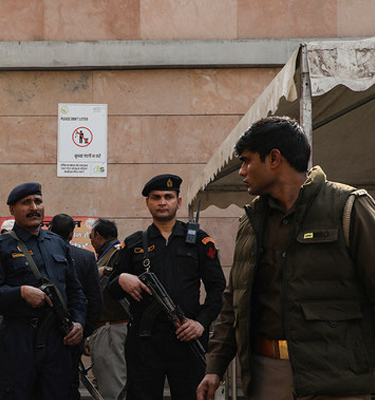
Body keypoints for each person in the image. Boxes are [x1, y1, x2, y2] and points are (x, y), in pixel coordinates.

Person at [197, 117, 375, 400]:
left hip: (339, 381)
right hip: (266, 377)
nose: (242, 171)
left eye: (246, 160)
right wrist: (214, 366)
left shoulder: (349, 207)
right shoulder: (251, 222)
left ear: (274, 158)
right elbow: (234, 302)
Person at [108, 175, 225, 400]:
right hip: (144, 342)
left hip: (186, 337)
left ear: (178, 202)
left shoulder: (199, 241)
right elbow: (112, 289)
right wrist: (122, 278)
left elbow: (218, 287)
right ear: (148, 203)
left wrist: (201, 323)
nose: (163, 202)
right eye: (156, 197)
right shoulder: (133, 243)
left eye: (168, 197)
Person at [0, 182, 87, 400]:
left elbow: (76, 291)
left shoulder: (57, 244)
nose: (34, 207)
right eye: (26, 203)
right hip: (20, 341)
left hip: (58, 341)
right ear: (12, 209)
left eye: (38, 201)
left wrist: (79, 322)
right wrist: (20, 292)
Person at [50, 213, 103, 400]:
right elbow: (96, 300)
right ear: (72, 234)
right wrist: (83, 331)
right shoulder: (86, 258)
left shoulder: (41, 253)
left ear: (49, 230)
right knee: (70, 384)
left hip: (43, 335)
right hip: (73, 333)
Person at [87, 219, 128, 400]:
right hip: (106, 328)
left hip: (112, 328)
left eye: (91, 237)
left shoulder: (115, 254)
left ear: (98, 236)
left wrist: (106, 270)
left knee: (112, 386)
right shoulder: (109, 254)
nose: (90, 241)